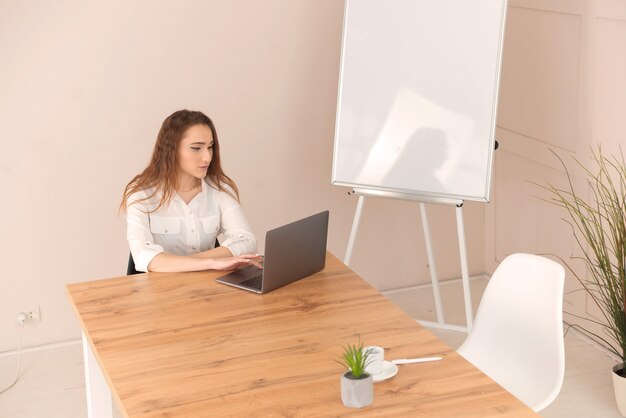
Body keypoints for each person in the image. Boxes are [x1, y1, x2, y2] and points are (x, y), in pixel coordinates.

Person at [120, 110, 262, 273]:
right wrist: (212, 262)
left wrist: (178, 263)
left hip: (207, 287)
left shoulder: (219, 188)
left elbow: (248, 241)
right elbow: (143, 257)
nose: (207, 157)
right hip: (158, 290)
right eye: (196, 148)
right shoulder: (142, 194)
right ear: (171, 150)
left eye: (210, 147)